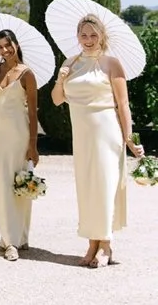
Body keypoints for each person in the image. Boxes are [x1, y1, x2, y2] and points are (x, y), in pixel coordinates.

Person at [51, 14, 144, 268]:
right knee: (88, 188)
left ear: (102, 35)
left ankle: (104, 243)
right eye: (84, 35)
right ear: (77, 37)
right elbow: (57, 99)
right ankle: (92, 241)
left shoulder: (112, 64)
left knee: (104, 186)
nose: (88, 40)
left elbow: (123, 104)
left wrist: (129, 139)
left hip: (107, 133)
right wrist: (61, 78)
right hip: (82, 136)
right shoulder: (70, 63)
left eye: (93, 35)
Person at [0, 29, 39, 261]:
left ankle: (19, 237)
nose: (4, 50)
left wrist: (33, 144)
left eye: (8, 45)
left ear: (16, 45)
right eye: (0, 47)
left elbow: (34, 113)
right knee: (3, 184)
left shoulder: (27, 74)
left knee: (21, 183)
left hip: (20, 134)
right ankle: (9, 238)